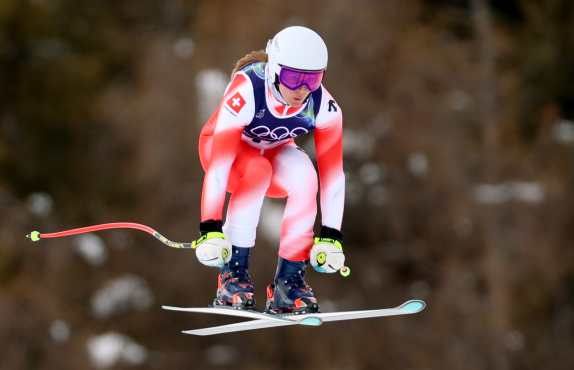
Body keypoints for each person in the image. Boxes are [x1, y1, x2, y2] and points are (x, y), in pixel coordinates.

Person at [192, 26, 346, 314]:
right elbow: (220, 165)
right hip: (223, 152)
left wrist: (331, 236)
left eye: (312, 79)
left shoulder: (324, 107)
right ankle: (233, 276)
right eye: (293, 77)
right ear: (274, 70)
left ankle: (290, 283)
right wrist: (210, 228)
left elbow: (333, 176)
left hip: (272, 150)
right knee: (257, 169)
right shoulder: (247, 89)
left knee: (304, 175)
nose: (302, 89)